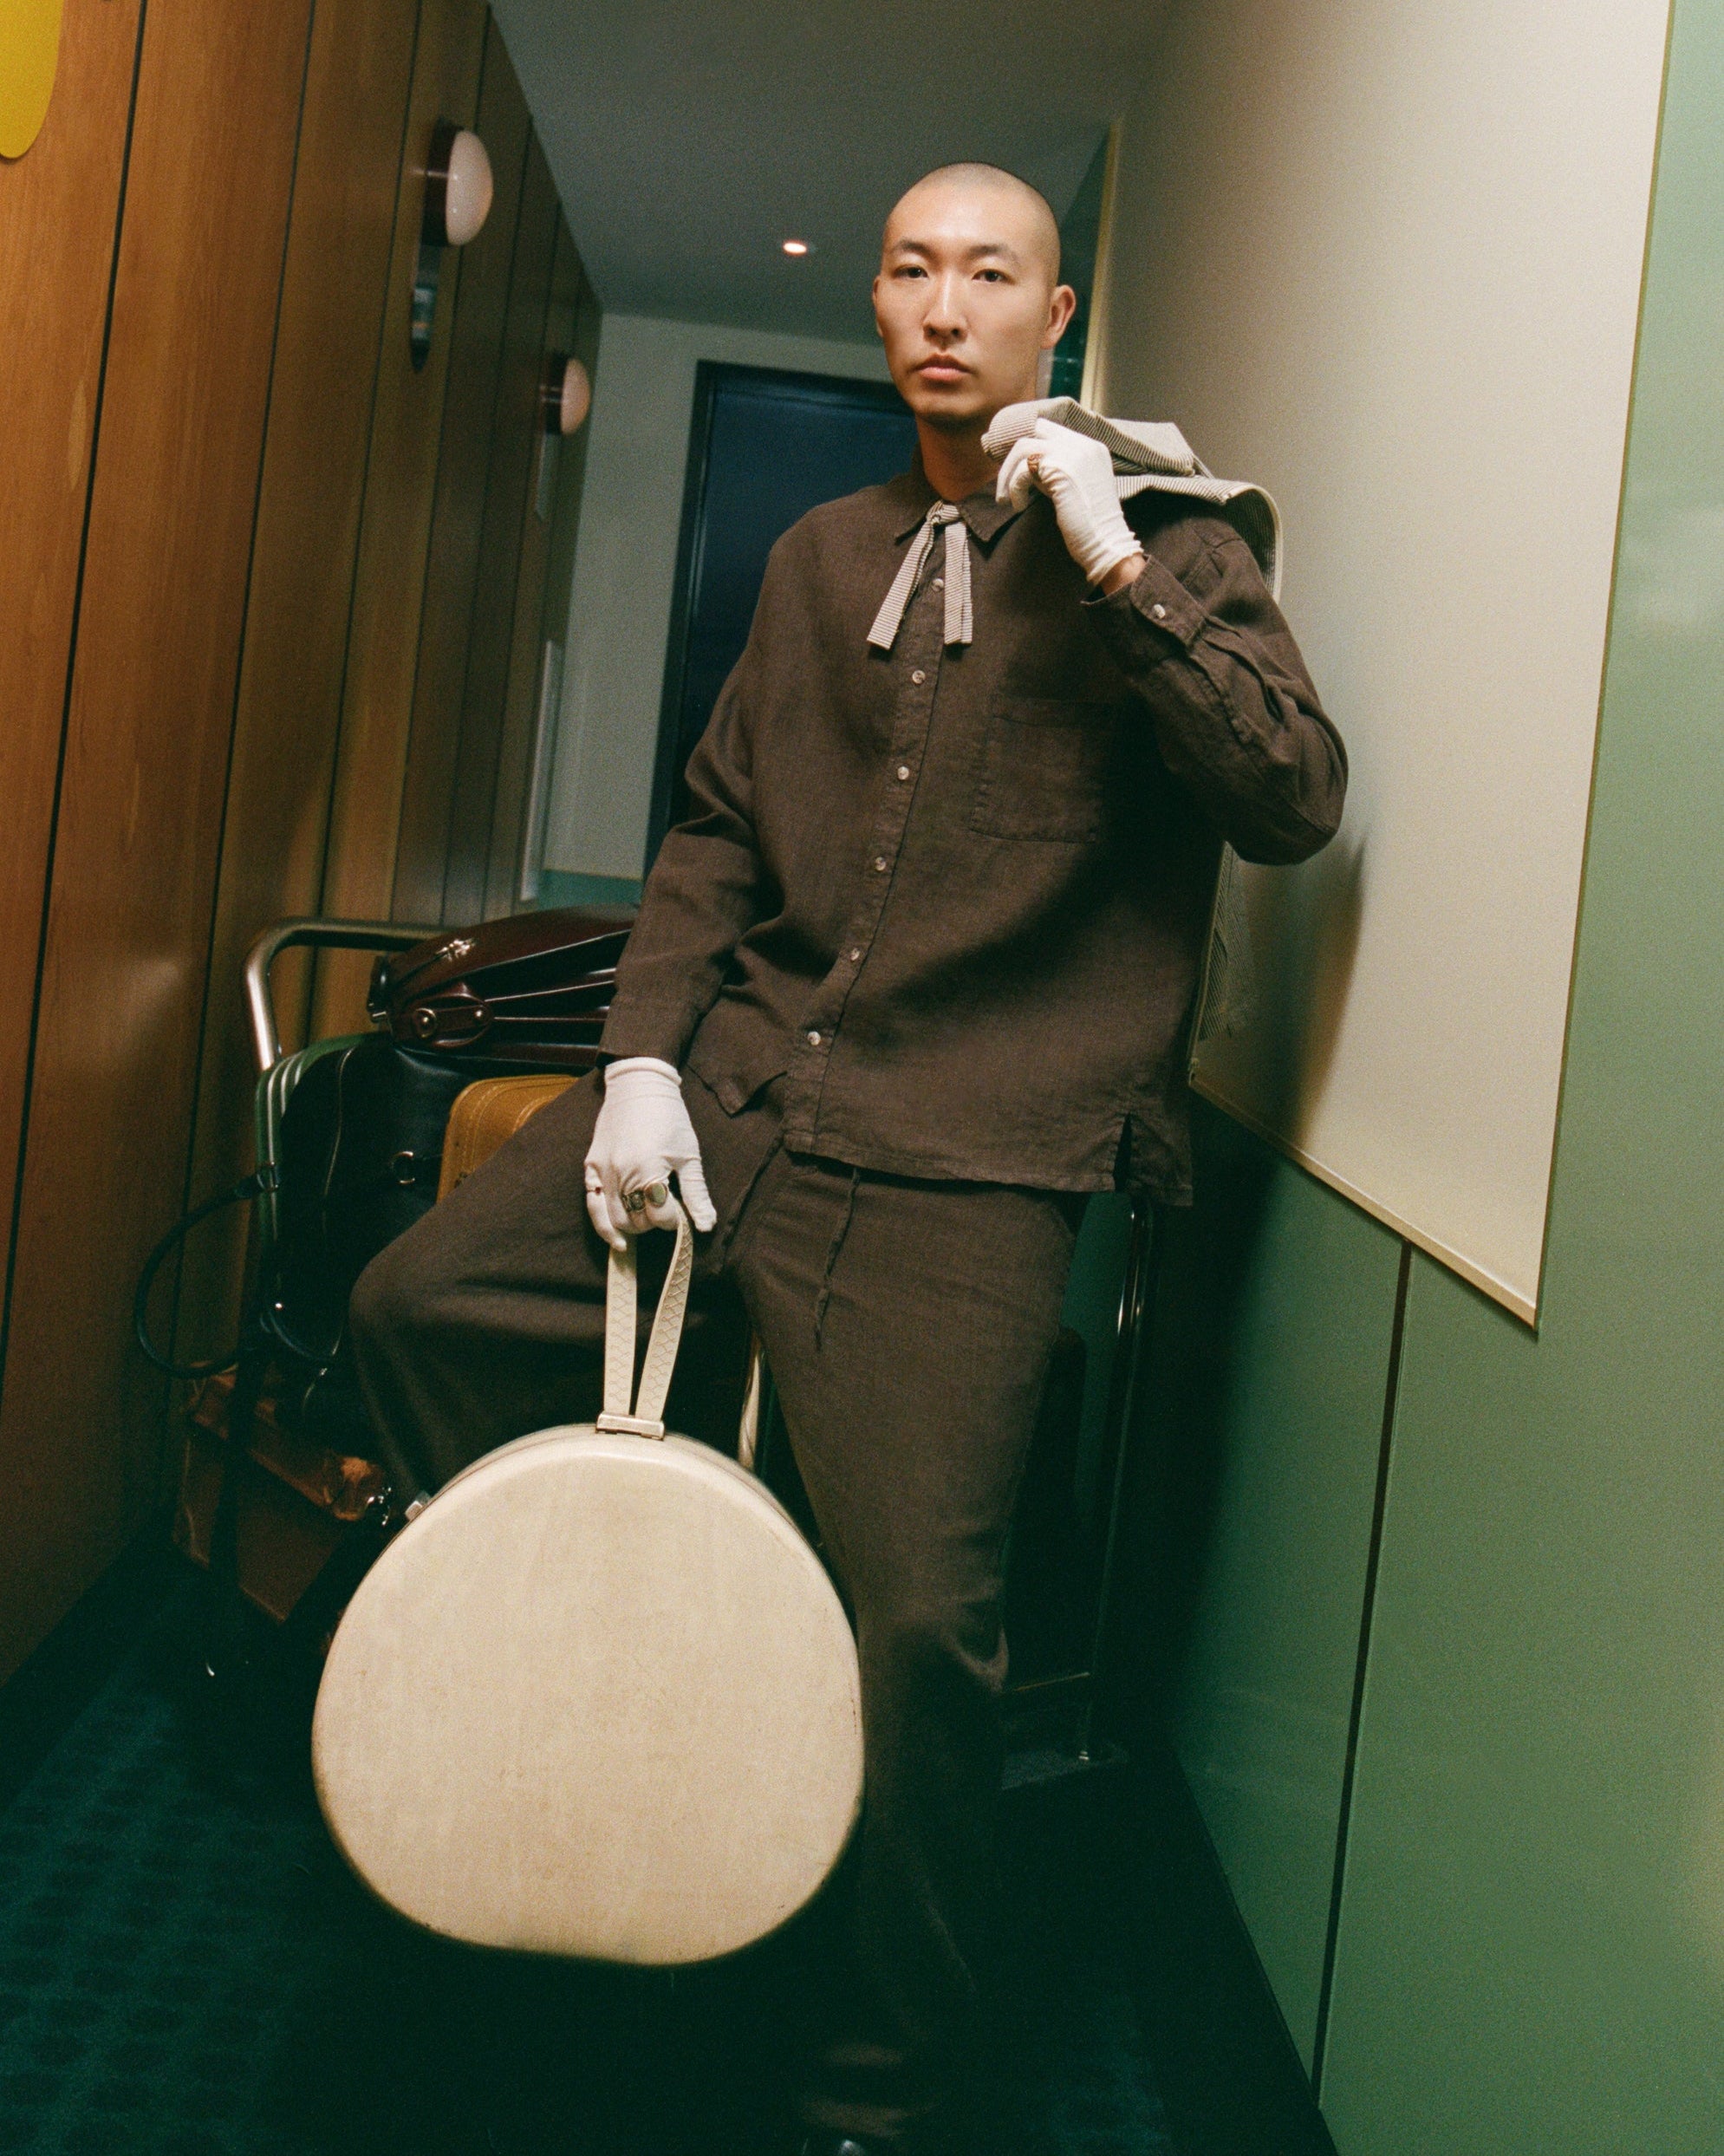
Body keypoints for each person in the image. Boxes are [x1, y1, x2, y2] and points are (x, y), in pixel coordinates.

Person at [349, 160, 1345, 2156]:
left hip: (964, 1172)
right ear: (879, 304)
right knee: (417, 1302)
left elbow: (1288, 794)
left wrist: (1124, 568)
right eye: (909, 267)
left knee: (917, 1637)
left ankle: (873, 2091)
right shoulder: (818, 554)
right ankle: (609, 1740)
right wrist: (637, 1059)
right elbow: (717, 832)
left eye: (989, 271)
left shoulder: (1169, 539)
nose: (941, 303)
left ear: (1052, 313)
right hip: (723, 1106)